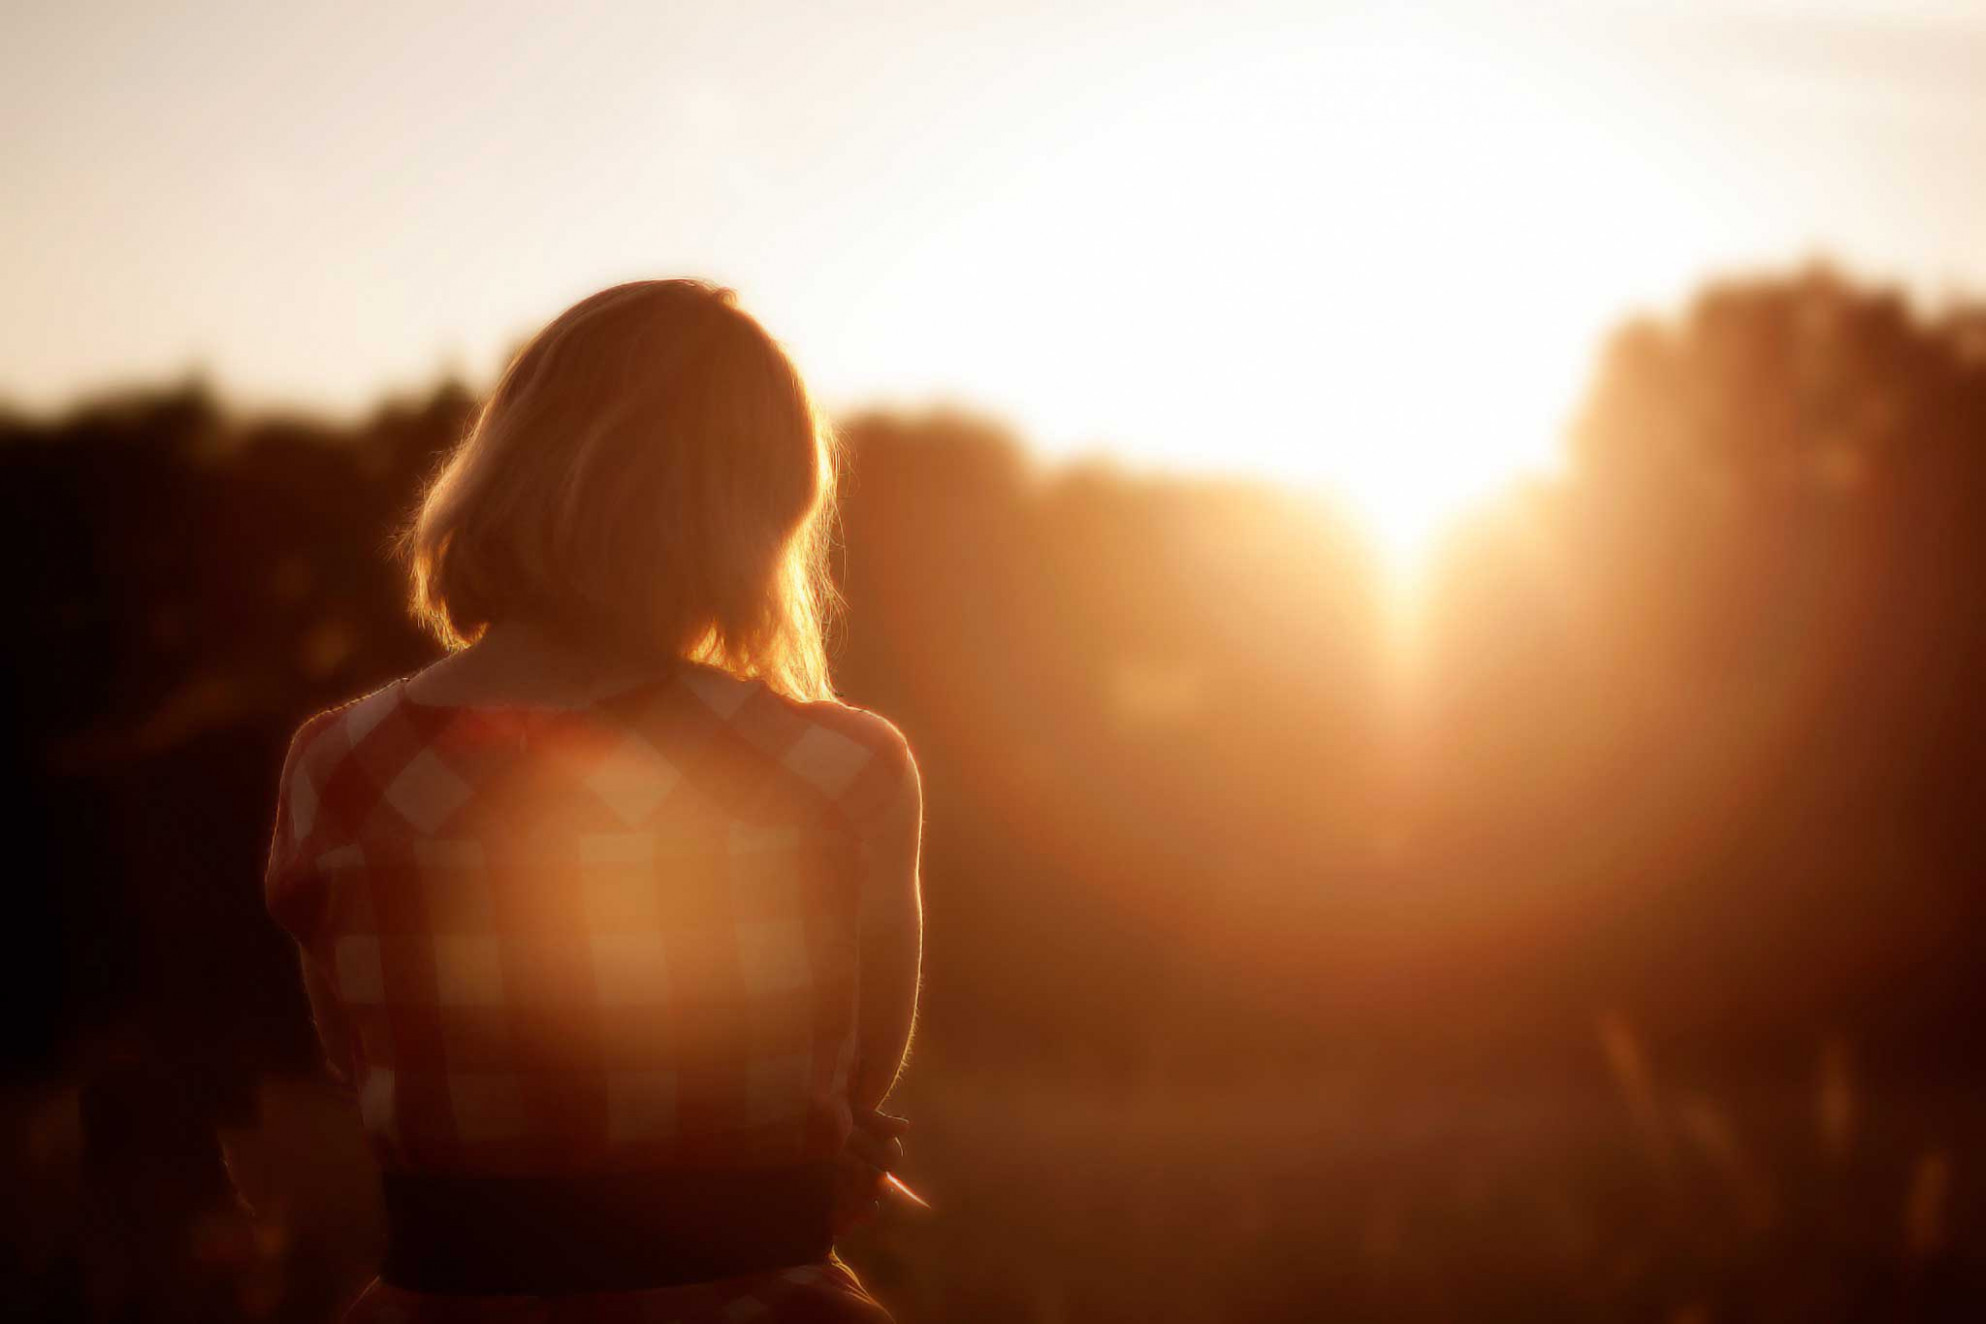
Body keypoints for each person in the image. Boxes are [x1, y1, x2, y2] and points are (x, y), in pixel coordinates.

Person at [262, 280, 924, 1323]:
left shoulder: (337, 764)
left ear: (510, 463)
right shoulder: (841, 769)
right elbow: (855, 1082)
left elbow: (369, 1071)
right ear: (754, 514)